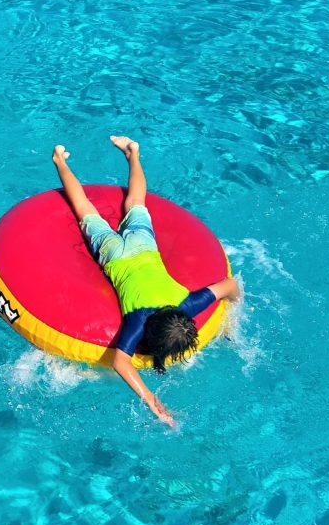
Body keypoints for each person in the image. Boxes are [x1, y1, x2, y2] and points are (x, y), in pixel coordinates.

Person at [52, 136, 240, 427]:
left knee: (135, 202)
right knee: (86, 211)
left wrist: (231, 302)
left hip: (142, 246)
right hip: (115, 255)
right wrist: (154, 404)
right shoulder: (137, 320)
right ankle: (62, 161)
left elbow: (228, 286)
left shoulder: (185, 303)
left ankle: (131, 152)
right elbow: (120, 362)